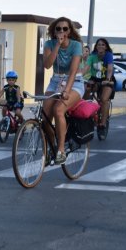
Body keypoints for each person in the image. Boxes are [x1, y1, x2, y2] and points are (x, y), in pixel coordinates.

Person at [42, 17, 84, 164]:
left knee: (58, 110)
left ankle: (60, 150)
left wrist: (67, 90)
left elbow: (73, 71)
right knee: (45, 116)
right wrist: (57, 46)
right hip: (55, 81)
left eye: (65, 29)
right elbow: (47, 65)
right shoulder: (49, 44)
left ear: (70, 31)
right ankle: (51, 147)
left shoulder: (76, 45)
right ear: (54, 31)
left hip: (75, 82)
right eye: (58, 29)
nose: (61, 31)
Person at [86, 38, 115, 136]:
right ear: (96, 46)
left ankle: (102, 124)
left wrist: (107, 79)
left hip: (107, 80)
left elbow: (110, 69)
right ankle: (87, 115)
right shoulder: (92, 55)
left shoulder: (108, 55)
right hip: (94, 79)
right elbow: (86, 68)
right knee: (86, 92)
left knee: (104, 99)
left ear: (106, 47)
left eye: (103, 45)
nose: (101, 46)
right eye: (99, 44)